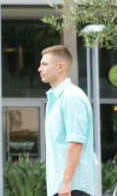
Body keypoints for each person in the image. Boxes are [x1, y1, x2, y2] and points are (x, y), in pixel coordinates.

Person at [38, 45, 99, 196]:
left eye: (44, 64)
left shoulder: (71, 97)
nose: (39, 69)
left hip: (72, 187)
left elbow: (76, 142)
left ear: (60, 67)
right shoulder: (56, 98)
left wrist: (66, 182)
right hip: (63, 187)